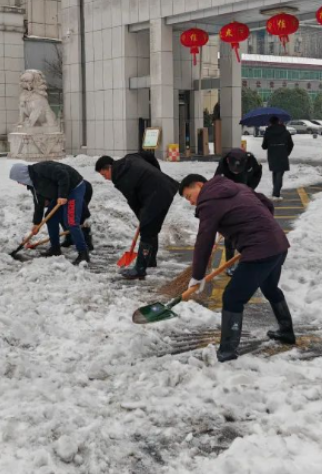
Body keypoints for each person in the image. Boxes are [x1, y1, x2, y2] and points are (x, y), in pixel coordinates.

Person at [180, 174, 294, 362]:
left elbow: (204, 240)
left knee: (232, 297)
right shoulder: (238, 186)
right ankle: (286, 331)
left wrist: (198, 275)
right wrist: (260, 227)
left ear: (199, 186)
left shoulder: (209, 202)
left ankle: (227, 351)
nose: (191, 203)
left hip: (260, 250)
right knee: (270, 288)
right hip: (278, 244)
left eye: (189, 196)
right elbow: (267, 204)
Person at [96, 152, 178, 280]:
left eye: (104, 174)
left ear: (109, 167)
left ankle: (140, 269)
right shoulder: (130, 158)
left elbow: (133, 200)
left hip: (156, 194)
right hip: (165, 186)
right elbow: (149, 156)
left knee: (146, 229)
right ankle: (150, 261)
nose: (105, 178)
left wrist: (142, 217)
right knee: (151, 226)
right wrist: (157, 173)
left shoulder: (120, 177)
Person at [11, 162, 94, 266]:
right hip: (61, 192)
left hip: (74, 187)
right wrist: (36, 224)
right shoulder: (33, 184)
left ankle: (83, 254)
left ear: (21, 175)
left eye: (18, 180)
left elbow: (63, 174)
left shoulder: (41, 168)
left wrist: (62, 195)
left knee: (71, 221)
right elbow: (38, 203)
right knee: (50, 218)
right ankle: (55, 249)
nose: (19, 183)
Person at [215, 149, 263, 273]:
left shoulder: (250, 160)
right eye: (234, 169)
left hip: (246, 195)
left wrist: (249, 189)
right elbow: (216, 183)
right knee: (229, 233)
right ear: (227, 161)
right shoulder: (223, 164)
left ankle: (248, 261)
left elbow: (257, 173)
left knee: (246, 231)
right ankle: (230, 264)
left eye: (238, 169)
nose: (236, 171)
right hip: (229, 197)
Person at [262, 117, 295, 201]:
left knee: (275, 172)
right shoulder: (285, 131)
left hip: (272, 154)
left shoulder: (268, 132)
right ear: (278, 122)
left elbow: (264, 146)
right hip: (282, 154)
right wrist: (286, 152)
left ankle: (275, 192)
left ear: (270, 122)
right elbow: (291, 144)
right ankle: (276, 193)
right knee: (279, 173)